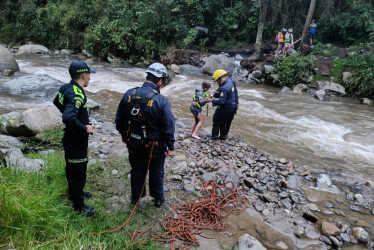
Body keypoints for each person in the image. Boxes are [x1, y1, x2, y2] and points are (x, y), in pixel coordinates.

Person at [115, 62, 175, 208]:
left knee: (137, 169)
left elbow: (119, 119)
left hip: (134, 143)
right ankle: (158, 199)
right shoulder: (162, 101)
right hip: (155, 147)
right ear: (160, 81)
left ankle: (136, 199)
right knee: (157, 171)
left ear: (147, 76)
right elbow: (168, 127)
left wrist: (124, 136)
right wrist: (171, 146)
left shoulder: (129, 94)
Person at [53, 60, 96, 217]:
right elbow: (68, 117)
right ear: (84, 75)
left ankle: (75, 193)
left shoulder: (66, 88)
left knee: (73, 168)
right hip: (76, 140)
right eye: (89, 75)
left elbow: (57, 101)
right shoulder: (77, 93)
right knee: (78, 171)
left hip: (71, 138)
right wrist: (85, 127)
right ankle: (79, 206)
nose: (90, 78)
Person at [206, 69, 238, 140]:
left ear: (220, 79)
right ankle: (223, 136)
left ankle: (214, 137)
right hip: (232, 107)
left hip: (225, 108)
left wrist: (212, 100)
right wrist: (214, 93)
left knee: (217, 120)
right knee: (226, 122)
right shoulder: (231, 82)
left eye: (217, 81)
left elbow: (221, 101)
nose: (217, 83)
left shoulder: (224, 88)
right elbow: (234, 94)